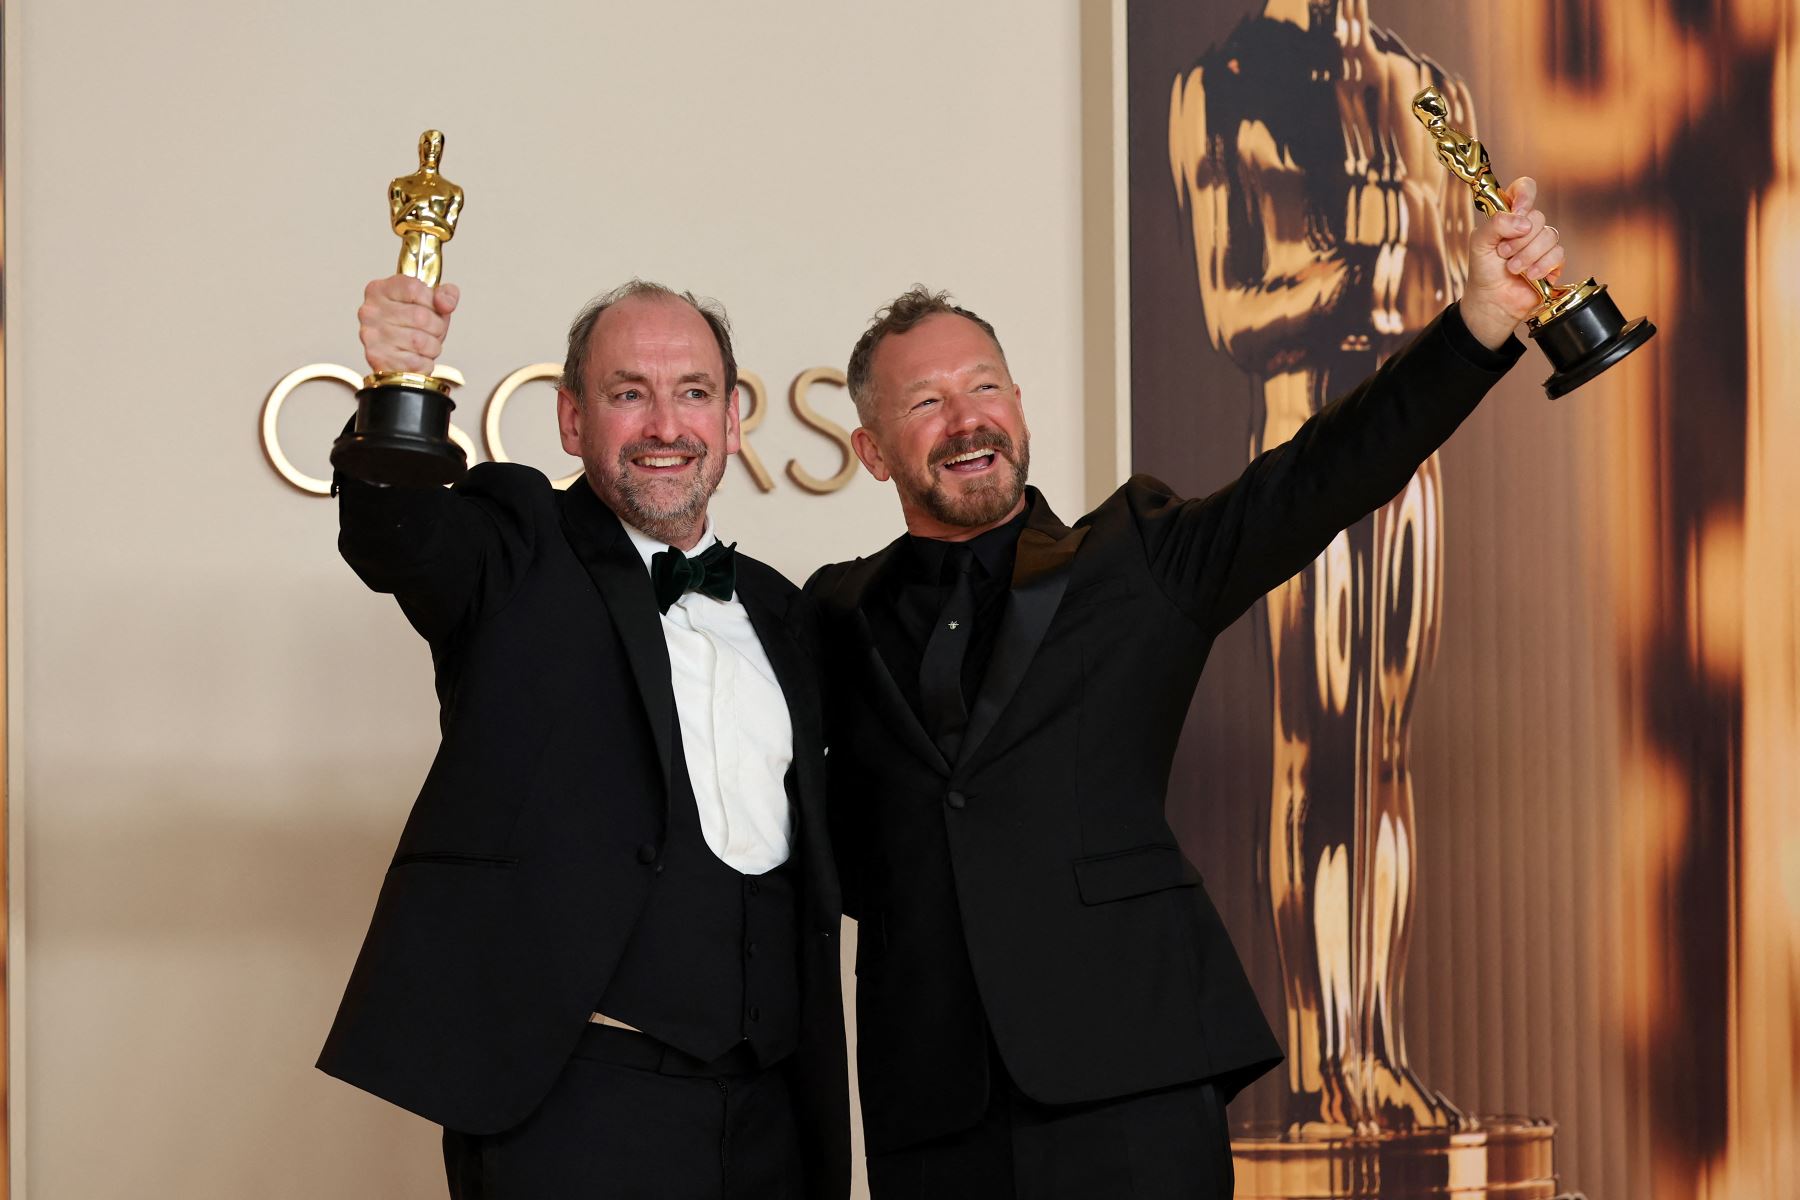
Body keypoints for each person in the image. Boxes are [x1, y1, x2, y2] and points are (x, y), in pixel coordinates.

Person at [806, 180, 1563, 1198]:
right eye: (925, 404)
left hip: (1133, 1080)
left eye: (982, 388)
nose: (965, 420)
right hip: (934, 1104)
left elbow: (1322, 474)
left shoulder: (1139, 557)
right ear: (871, 449)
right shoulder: (831, 613)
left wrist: (1480, 323)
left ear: (1020, 405)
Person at [317, 274, 848, 1200]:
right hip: (573, 1111)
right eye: (626, 393)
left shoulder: (781, 610)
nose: (664, 426)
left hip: (771, 1117)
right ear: (571, 420)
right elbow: (398, 537)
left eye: (693, 393)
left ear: (730, 420)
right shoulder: (517, 543)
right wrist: (399, 386)